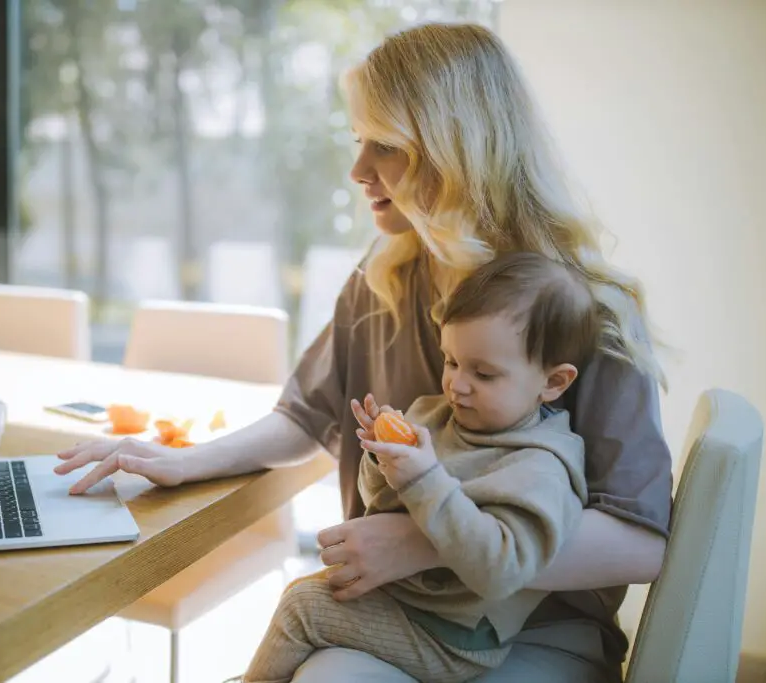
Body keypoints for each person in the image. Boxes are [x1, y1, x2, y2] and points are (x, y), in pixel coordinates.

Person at [54, 22, 672, 683]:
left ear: (456, 151)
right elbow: (306, 416)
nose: (357, 171)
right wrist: (187, 461)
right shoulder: (383, 277)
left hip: (536, 632)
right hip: (404, 609)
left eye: (386, 147)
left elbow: (638, 542)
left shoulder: (585, 312)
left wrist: (425, 540)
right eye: (357, 142)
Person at [242, 252, 597, 683]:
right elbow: (382, 504)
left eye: (484, 374)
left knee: (302, 610)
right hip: (408, 602)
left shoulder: (541, 466)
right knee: (307, 591)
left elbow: (501, 570)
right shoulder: (437, 415)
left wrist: (426, 479)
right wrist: (383, 459)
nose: (457, 385)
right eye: (451, 361)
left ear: (554, 382)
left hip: (453, 637)